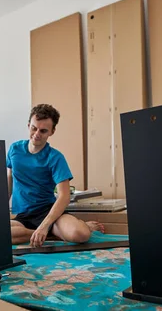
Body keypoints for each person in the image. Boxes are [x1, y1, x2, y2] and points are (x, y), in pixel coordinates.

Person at [7, 104, 104, 247]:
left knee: (80, 234)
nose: (37, 134)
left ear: (52, 132)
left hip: (49, 213)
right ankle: (48, 235)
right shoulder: (14, 149)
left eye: (43, 130)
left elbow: (64, 196)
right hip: (22, 216)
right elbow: (9, 180)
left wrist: (45, 225)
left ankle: (80, 227)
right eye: (34, 128)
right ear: (28, 125)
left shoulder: (56, 158)